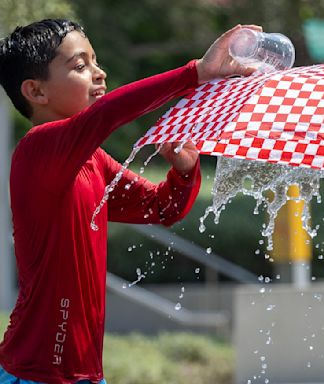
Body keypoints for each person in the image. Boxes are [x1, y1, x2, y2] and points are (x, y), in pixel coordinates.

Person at [0, 19, 260, 384]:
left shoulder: (92, 160)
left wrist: (183, 174)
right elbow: (106, 116)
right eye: (80, 66)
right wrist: (196, 73)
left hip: (86, 374)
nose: (99, 73)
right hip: (35, 372)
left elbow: (161, 208)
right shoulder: (36, 149)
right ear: (36, 91)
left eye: (95, 61)